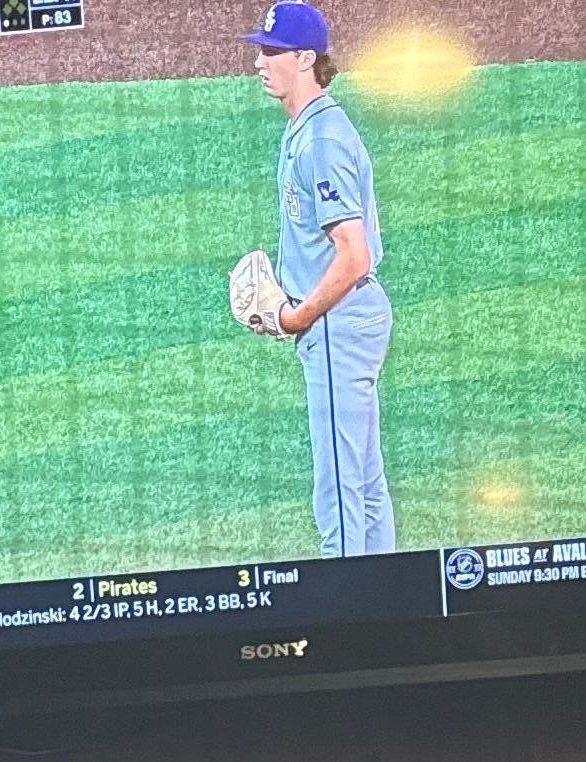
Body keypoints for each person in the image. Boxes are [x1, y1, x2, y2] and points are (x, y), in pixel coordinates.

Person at [247, 1, 394, 560]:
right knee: (364, 482)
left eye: (273, 52)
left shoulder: (321, 142)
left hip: (337, 324)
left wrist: (295, 317)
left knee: (339, 492)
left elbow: (352, 255)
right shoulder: (307, 127)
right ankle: (386, 598)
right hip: (346, 320)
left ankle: (351, 606)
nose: (260, 62)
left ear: (306, 59)